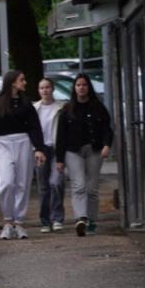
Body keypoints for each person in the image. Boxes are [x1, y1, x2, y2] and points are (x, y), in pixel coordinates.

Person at [0, 70, 45, 240]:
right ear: (12, 82)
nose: (24, 82)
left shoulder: (26, 104)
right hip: (3, 144)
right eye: (21, 80)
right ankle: (8, 220)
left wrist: (39, 148)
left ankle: (19, 222)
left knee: (23, 183)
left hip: (23, 142)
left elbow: (34, 126)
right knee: (7, 183)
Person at [54, 73, 113, 237]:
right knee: (78, 185)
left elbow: (107, 128)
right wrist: (59, 159)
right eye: (78, 85)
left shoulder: (98, 107)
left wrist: (107, 145)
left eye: (84, 85)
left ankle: (92, 220)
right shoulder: (67, 109)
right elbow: (61, 136)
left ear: (89, 87)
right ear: (74, 88)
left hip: (94, 149)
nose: (81, 88)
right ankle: (81, 218)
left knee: (92, 188)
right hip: (73, 151)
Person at [33, 77, 65, 232]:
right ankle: (45, 221)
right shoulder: (35, 108)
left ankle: (57, 218)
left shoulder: (61, 108)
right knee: (43, 186)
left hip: (56, 148)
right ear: (38, 91)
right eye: (41, 88)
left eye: (47, 87)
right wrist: (35, 149)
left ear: (53, 89)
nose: (45, 90)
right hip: (40, 149)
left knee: (56, 182)